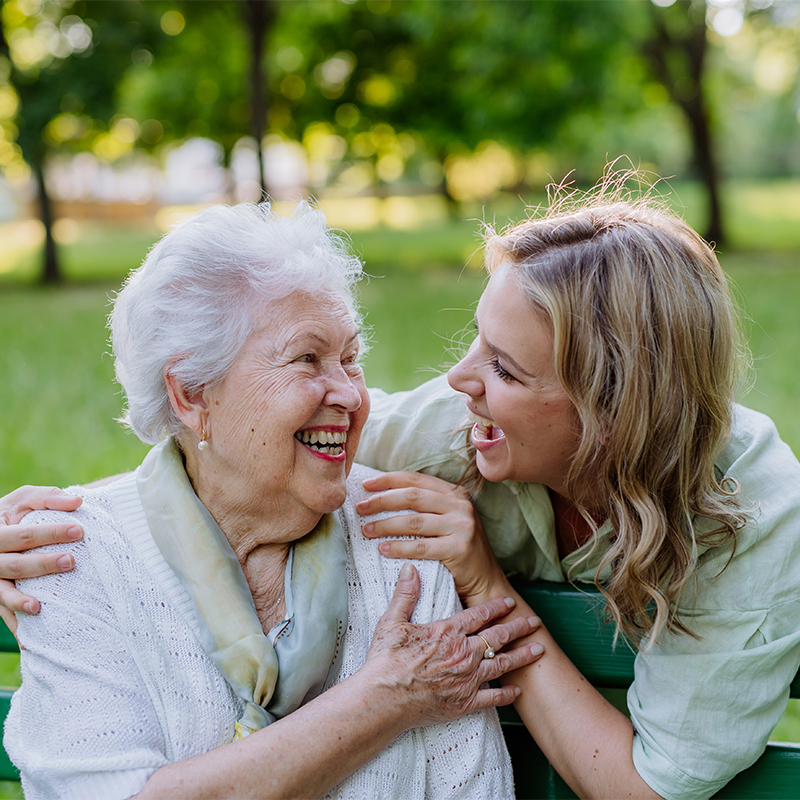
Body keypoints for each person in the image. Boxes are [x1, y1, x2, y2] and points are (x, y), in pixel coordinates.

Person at [3, 178, 800, 800]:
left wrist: (482, 584)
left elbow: (634, 788)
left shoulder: (749, 513)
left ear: (609, 412)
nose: (458, 381)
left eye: (504, 369)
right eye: (309, 358)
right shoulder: (445, 437)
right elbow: (229, 439)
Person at [0, 201, 542, 800]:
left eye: (351, 359)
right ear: (191, 394)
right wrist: (384, 699)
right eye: (307, 359)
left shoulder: (403, 535)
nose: (349, 394)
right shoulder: (69, 557)